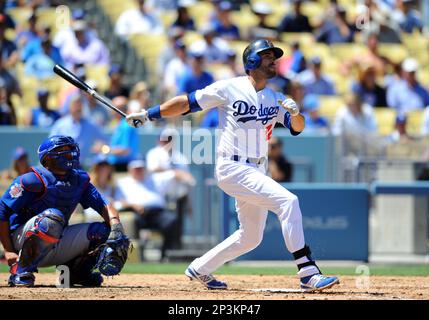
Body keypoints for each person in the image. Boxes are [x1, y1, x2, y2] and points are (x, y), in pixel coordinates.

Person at [126, 39, 339, 291]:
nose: (274, 60)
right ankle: (307, 271)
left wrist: (295, 114)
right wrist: (149, 113)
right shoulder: (229, 88)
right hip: (233, 167)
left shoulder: (275, 97)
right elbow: (187, 103)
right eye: (267, 55)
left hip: (257, 168)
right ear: (252, 61)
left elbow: (297, 129)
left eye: (274, 56)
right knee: (288, 201)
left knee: (251, 237)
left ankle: (200, 268)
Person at [0, 135, 129, 287]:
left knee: (104, 231)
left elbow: (104, 206)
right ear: (47, 158)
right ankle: (20, 270)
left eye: (71, 148)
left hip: (56, 237)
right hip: (21, 242)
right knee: (52, 218)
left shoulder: (79, 180)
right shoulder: (31, 180)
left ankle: (75, 274)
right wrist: (8, 250)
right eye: (62, 149)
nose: (69, 152)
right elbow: (2, 211)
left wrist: (116, 226)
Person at [115, 159, 194, 260]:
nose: (139, 171)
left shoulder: (154, 178)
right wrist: (134, 205)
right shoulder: (123, 182)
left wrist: (190, 180)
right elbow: (119, 200)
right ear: (130, 170)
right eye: (136, 169)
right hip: (136, 213)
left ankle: (166, 255)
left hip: (157, 213)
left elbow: (175, 173)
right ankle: (137, 257)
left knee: (172, 220)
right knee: (132, 222)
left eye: (141, 169)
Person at [50, 94, 108, 168]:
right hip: (65, 165)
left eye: (80, 105)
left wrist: (101, 146)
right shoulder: (60, 124)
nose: (78, 108)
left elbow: (104, 140)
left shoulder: (91, 124)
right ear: (70, 107)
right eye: (75, 105)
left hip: (86, 166)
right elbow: (51, 144)